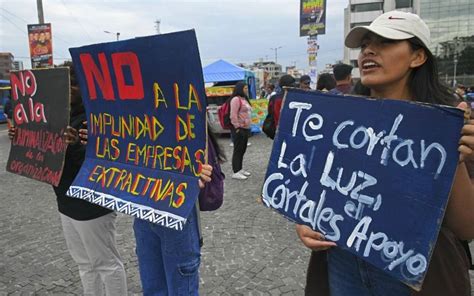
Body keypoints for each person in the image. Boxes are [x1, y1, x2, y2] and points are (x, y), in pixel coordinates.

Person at [296, 11, 474, 296]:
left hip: (416, 273)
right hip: (343, 264)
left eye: (386, 42)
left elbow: (467, 228)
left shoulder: (452, 126)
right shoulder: (339, 122)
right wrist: (306, 220)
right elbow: (317, 187)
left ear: (418, 57)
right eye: (365, 43)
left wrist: (454, 158)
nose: (369, 50)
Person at [9, 61, 128, 295]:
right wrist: (21, 135)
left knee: (106, 263)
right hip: (64, 199)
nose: (70, 89)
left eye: (74, 84)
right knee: (84, 264)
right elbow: (43, 149)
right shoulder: (53, 113)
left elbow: (109, 162)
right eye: (66, 84)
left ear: (85, 87)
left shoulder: (99, 116)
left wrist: (75, 145)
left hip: (92, 204)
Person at [229, 81, 252, 180]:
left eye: (247, 88)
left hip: (245, 128)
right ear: (240, 89)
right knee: (238, 150)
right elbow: (233, 115)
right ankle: (236, 171)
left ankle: (240, 168)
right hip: (239, 128)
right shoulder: (235, 99)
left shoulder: (244, 99)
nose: (247, 90)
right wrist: (237, 127)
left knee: (243, 149)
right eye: (245, 88)